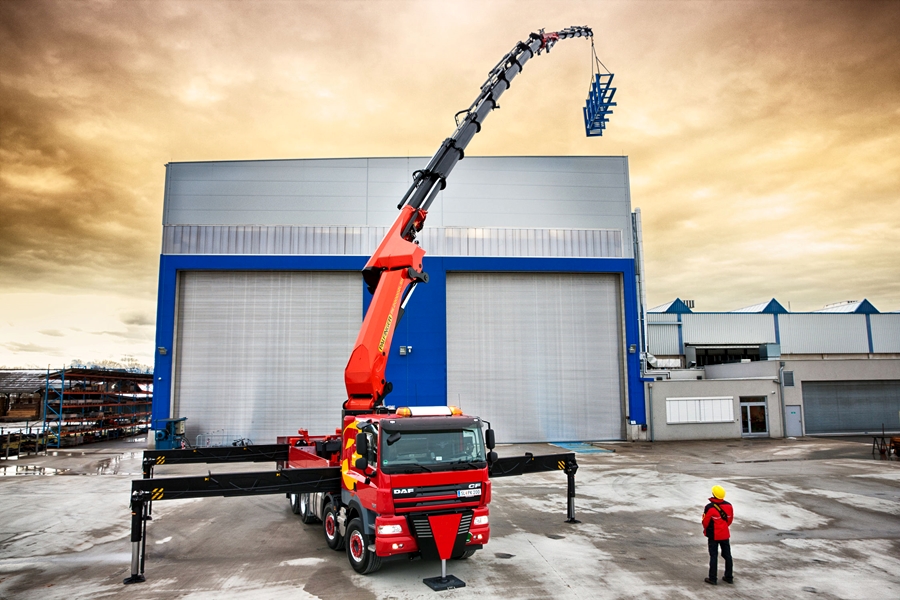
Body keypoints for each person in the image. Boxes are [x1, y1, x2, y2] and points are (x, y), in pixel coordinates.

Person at [702, 484, 734, 585]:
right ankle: (729, 577)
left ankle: (713, 578)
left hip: (713, 536)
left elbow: (705, 522)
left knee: (713, 556)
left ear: (713, 494)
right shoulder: (729, 506)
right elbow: (729, 520)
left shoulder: (709, 507)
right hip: (725, 534)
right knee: (727, 556)